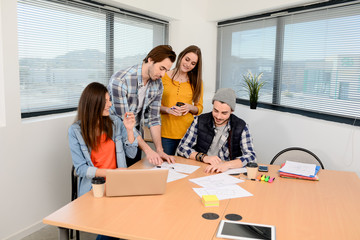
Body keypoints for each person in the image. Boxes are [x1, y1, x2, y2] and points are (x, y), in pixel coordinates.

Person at [108, 45, 176, 167]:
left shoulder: (158, 84)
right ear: (150, 60)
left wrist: (159, 150)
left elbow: (154, 118)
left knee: (134, 174)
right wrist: (148, 150)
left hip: (136, 136)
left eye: (166, 70)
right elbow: (125, 120)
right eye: (161, 68)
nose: (163, 74)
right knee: (117, 178)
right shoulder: (120, 81)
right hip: (115, 136)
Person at [68, 82, 138, 197]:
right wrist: (111, 173)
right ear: (93, 103)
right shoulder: (75, 131)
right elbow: (81, 169)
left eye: (109, 100)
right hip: (93, 188)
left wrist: (130, 130)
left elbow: (131, 154)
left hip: (117, 184)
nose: (110, 104)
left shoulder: (115, 122)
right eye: (105, 101)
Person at [176, 88, 257, 173]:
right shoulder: (199, 121)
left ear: (231, 111)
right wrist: (204, 157)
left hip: (225, 172)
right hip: (202, 169)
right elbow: (182, 147)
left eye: (224, 113)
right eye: (215, 111)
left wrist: (226, 165)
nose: (218, 117)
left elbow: (251, 157)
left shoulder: (241, 127)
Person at [160, 45, 204, 155]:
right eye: (187, 59)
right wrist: (168, 110)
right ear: (181, 57)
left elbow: (199, 108)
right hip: (166, 132)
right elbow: (154, 106)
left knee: (185, 168)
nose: (188, 65)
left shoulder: (197, 82)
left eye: (193, 63)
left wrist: (189, 107)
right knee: (166, 166)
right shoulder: (163, 77)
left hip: (188, 133)